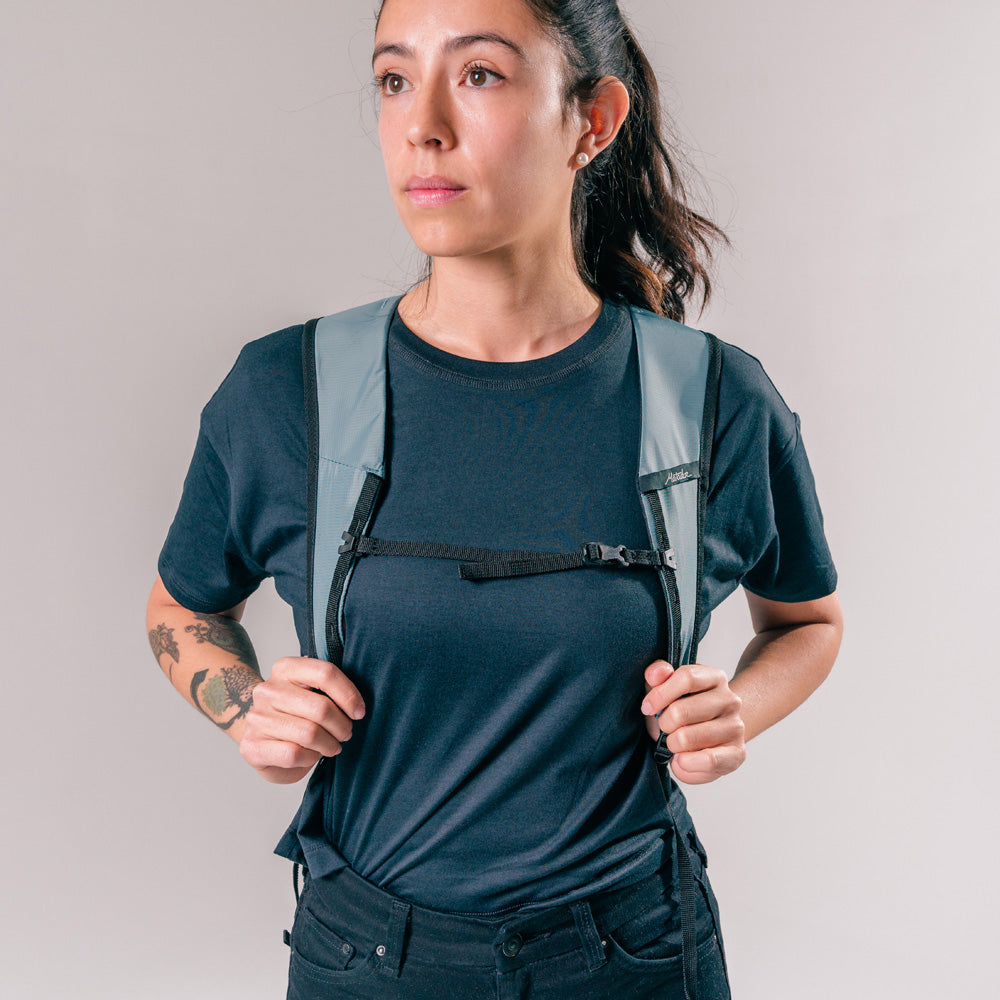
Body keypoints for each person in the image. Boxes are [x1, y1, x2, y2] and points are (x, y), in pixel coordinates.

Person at [146, 0, 843, 997]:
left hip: (634, 958)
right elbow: (180, 606)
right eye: (394, 80)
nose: (422, 125)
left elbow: (807, 620)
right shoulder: (285, 393)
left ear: (593, 120)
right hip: (364, 961)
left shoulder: (713, 399)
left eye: (479, 74)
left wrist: (736, 707)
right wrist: (244, 705)